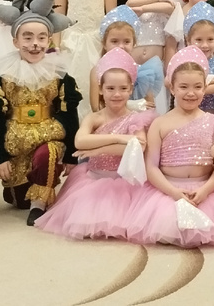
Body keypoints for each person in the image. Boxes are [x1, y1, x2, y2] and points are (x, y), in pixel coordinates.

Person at [34, 49, 155, 240]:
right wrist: (120, 138)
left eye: (123, 88)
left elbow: (138, 147)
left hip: (124, 182)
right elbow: (80, 141)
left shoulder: (136, 119)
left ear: (131, 89)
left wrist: (98, 149)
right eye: (110, 88)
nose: (117, 94)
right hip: (94, 177)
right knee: (89, 216)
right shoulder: (94, 118)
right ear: (100, 89)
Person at [0, 0, 81, 225]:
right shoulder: (3, 75)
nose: (35, 44)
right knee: (18, 200)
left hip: (49, 134)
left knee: (47, 154)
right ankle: (25, 193)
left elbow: (70, 115)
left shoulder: (59, 75)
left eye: (41, 37)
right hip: (16, 140)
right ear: (16, 41)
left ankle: (39, 205)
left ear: (49, 40)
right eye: (27, 38)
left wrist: (71, 154)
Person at [124, 46, 214, 247]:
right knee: (168, 225)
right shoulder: (159, 123)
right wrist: (174, 193)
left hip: (204, 189)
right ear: (172, 88)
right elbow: (151, 166)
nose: (191, 93)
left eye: (197, 87)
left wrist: (205, 190)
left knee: (209, 227)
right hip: (169, 190)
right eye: (183, 87)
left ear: (205, 88)